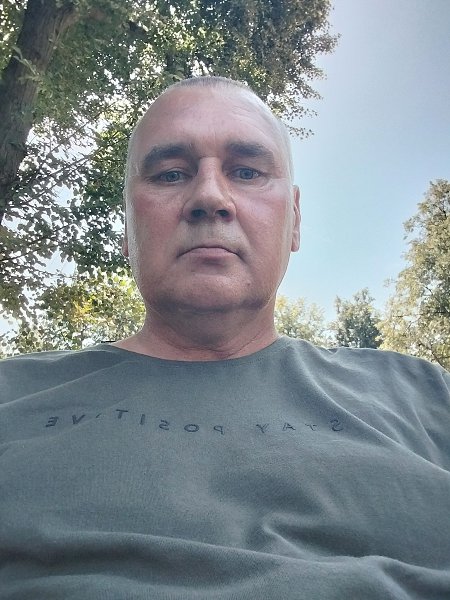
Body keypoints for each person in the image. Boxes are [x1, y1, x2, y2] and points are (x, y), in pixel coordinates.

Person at [0, 76, 449, 600]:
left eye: (246, 172)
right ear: (127, 229)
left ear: (295, 221)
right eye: (171, 174)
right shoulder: (12, 395)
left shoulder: (424, 395)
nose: (210, 197)